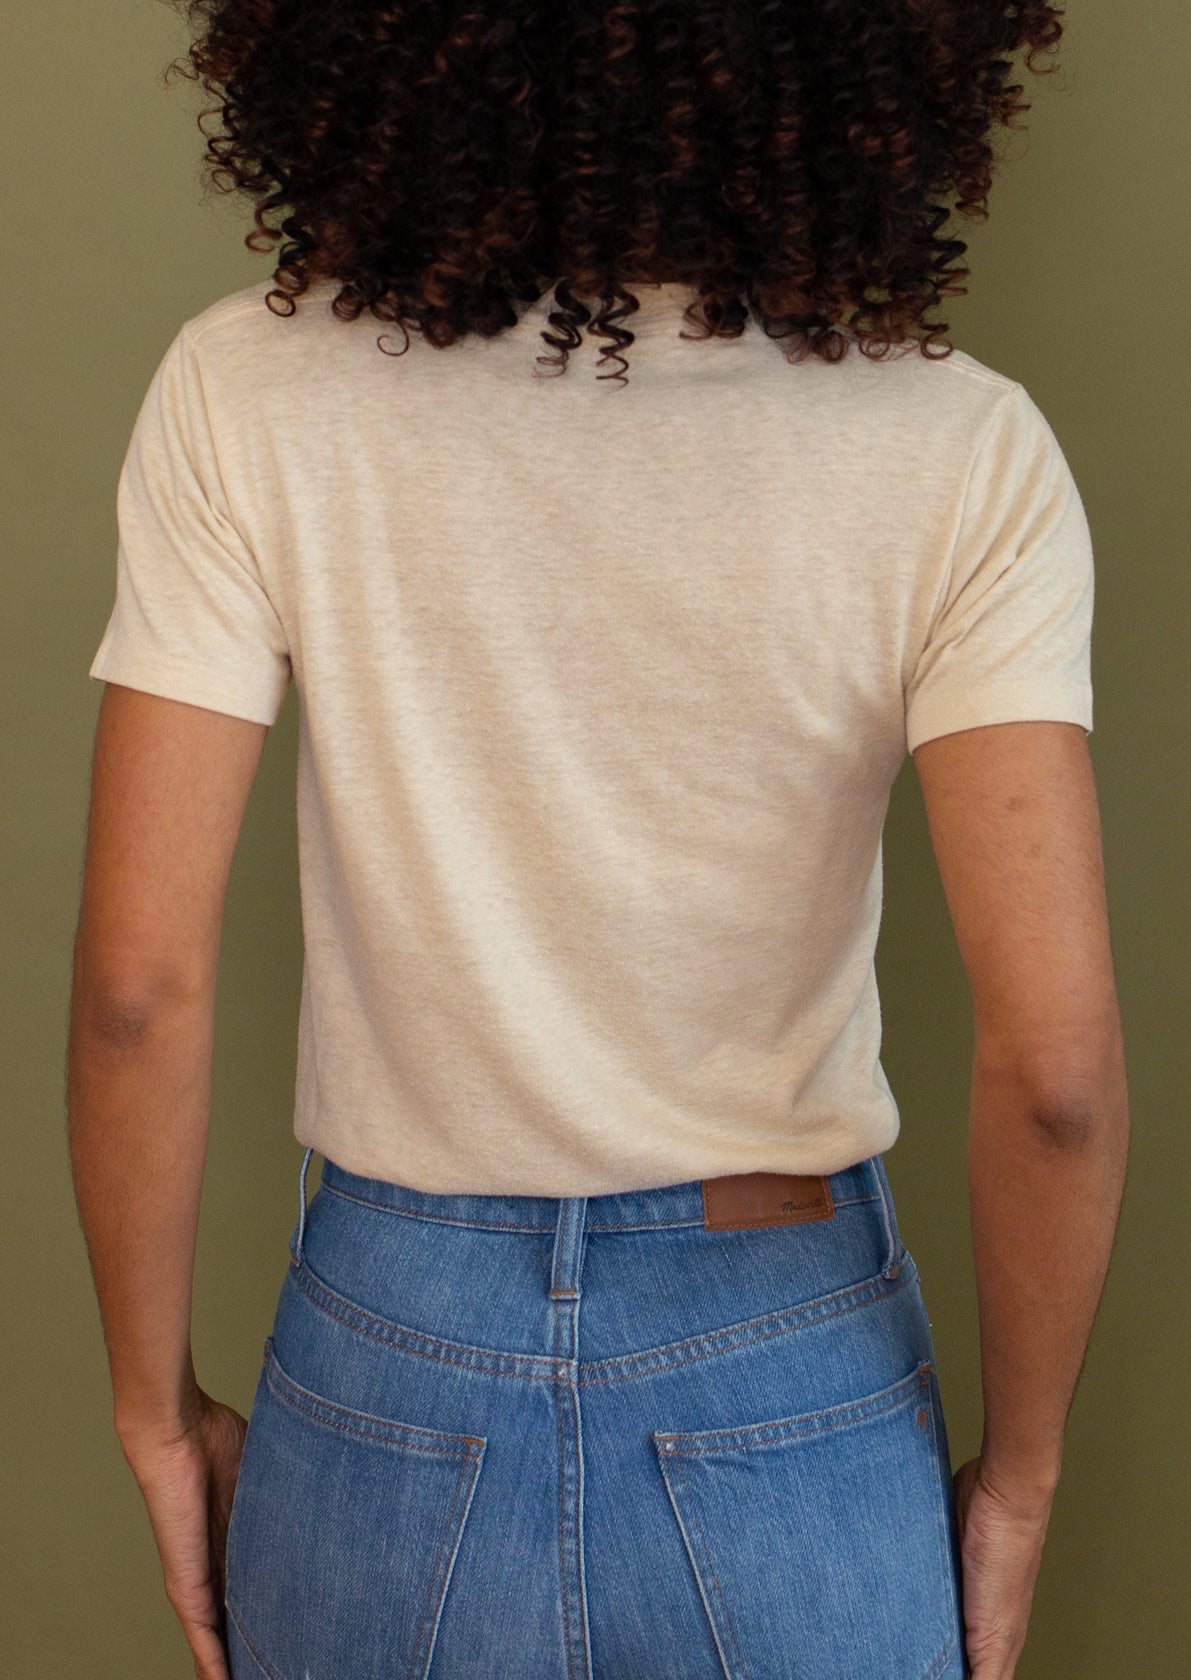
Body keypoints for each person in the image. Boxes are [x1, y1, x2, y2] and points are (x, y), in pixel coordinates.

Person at [67, 4, 1129, 1678]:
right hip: (790, 1361)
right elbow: (1057, 1075)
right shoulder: (961, 450)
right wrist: (1024, 1481)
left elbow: (136, 991)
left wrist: (151, 1409)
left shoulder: (247, 392)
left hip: (391, 1348)